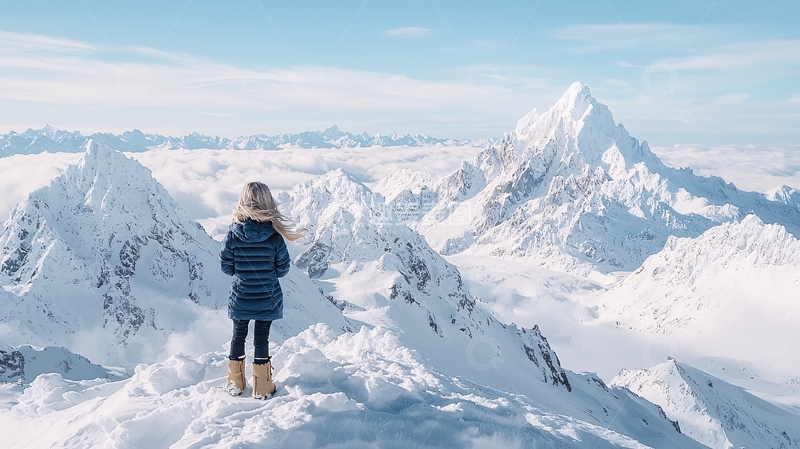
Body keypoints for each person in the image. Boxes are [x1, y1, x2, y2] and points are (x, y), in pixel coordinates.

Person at [220, 181, 303, 398]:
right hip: (268, 295)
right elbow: (283, 268)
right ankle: (262, 386)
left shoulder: (233, 234)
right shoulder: (274, 236)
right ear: (268, 202)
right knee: (261, 338)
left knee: (238, 336)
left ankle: (235, 383)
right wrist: (267, 273)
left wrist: (242, 273)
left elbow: (226, 266)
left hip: (240, 296)